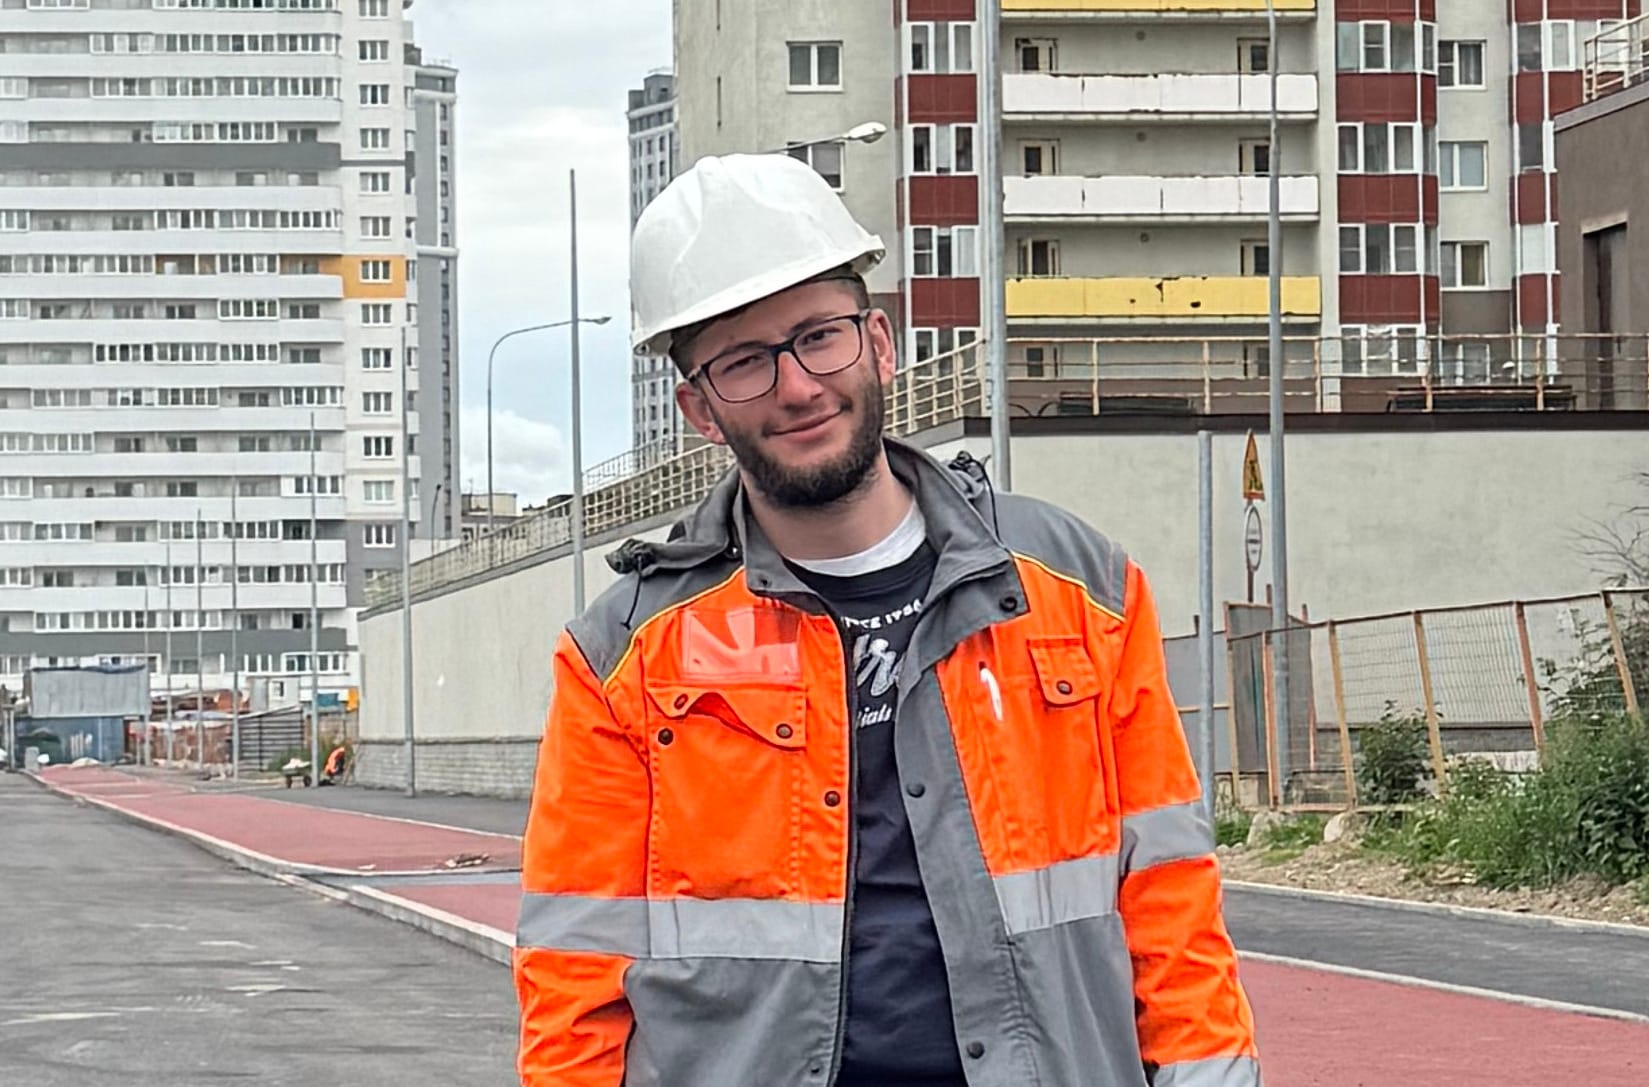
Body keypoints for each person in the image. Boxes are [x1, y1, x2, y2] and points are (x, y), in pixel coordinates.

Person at [514, 153, 1261, 1087]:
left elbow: (1170, 893)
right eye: (743, 361)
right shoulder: (624, 654)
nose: (796, 386)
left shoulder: (1079, 589)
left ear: (878, 341)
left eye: (817, 336)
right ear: (698, 408)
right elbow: (573, 965)